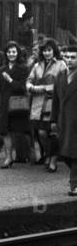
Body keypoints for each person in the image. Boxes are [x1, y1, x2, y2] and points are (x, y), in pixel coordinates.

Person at [27, 39, 66, 172]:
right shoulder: (37, 65)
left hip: (52, 103)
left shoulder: (61, 64)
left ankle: (53, 160)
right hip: (38, 103)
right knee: (41, 132)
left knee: (52, 132)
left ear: (54, 50)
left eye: (49, 50)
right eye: (44, 50)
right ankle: (49, 154)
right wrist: (31, 87)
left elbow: (62, 84)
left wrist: (43, 88)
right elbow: (29, 81)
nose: (47, 53)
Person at [49, 44, 77, 197]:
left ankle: (74, 185)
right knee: (65, 154)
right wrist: (53, 119)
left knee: (75, 154)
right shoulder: (60, 75)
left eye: (73, 57)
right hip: (63, 121)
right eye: (67, 57)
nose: (69, 60)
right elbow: (55, 101)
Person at [0, 42, 30, 167]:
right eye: (9, 52)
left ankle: (24, 155)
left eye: (14, 52)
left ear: (18, 53)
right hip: (5, 103)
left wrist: (10, 80)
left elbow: (23, 88)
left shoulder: (23, 68)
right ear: (6, 53)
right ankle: (8, 157)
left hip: (18, 103)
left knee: (19, 130)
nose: (11, 54)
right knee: (5, 131)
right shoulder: (2, 69)